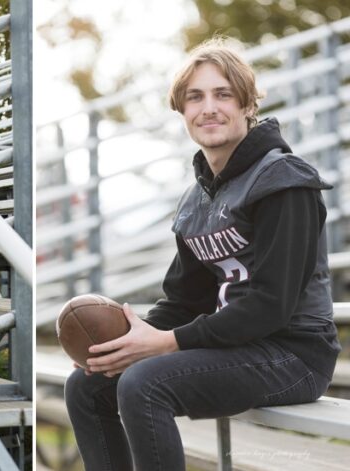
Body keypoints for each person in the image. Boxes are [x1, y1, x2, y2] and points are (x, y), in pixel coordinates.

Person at [64, 39, 340, 470]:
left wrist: (167, 343)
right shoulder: (197, 200)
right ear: (182, 112)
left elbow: (271, 306)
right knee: (86, 386)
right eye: (196, 97)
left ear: (248, 104)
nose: (209, 107)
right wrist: (130, 340)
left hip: (295, 354)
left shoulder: (284, 181)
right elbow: (183, 302)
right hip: (237, 350)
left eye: (223, 94)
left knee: (143, 384)